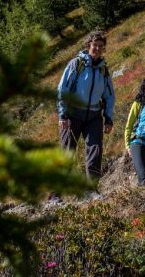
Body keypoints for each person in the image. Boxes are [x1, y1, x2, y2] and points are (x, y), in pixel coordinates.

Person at [56, 30, 115, 182]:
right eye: (95, 45)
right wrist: (62, 115)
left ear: (104, 48)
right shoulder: (76, 64)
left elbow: (109, 95)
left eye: (101, 46)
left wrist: (108, 118)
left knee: (95, 152)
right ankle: (55, 194)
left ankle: (91, 190)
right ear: (89, 45)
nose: (97, 49)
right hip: (72, 115)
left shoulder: (103, 69)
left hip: (94, 116)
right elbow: (63, 90)